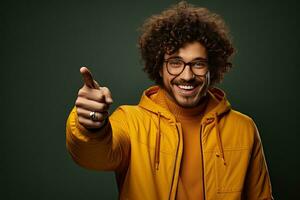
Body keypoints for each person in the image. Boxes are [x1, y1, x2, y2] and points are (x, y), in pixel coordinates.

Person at [66, 1, 274, 199]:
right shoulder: (130, 121)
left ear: (213, 68)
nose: (187, 75)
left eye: (198, 64)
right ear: (158, 66)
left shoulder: (243, 128)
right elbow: (93, 157)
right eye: (175, 63)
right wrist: (91, 126)